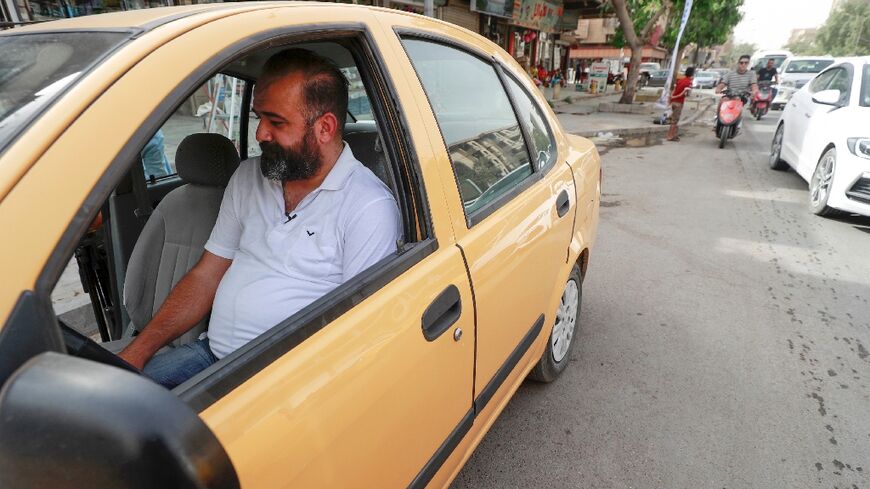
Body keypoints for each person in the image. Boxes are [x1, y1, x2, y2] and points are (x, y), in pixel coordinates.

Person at [119, 48, 402, 388]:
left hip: (285, 384)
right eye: (258, 118)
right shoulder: (248, 177)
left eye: (276, 122)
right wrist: (138, 353)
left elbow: (359, 334)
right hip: (211, 355)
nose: (260, 135)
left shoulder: (368, 208)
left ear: (325, 127)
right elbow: (207, 275)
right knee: (108, 403)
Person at [667, 67, 694, 142]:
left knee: (675, 119)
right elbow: (685, 94)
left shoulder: (680, 80)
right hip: (679, 102)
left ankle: (674, 135)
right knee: (675, 120)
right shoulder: (689, 82)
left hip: (673, 102)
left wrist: (671, 97)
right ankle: (670, 136)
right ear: (692, 74)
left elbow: (674, 90)